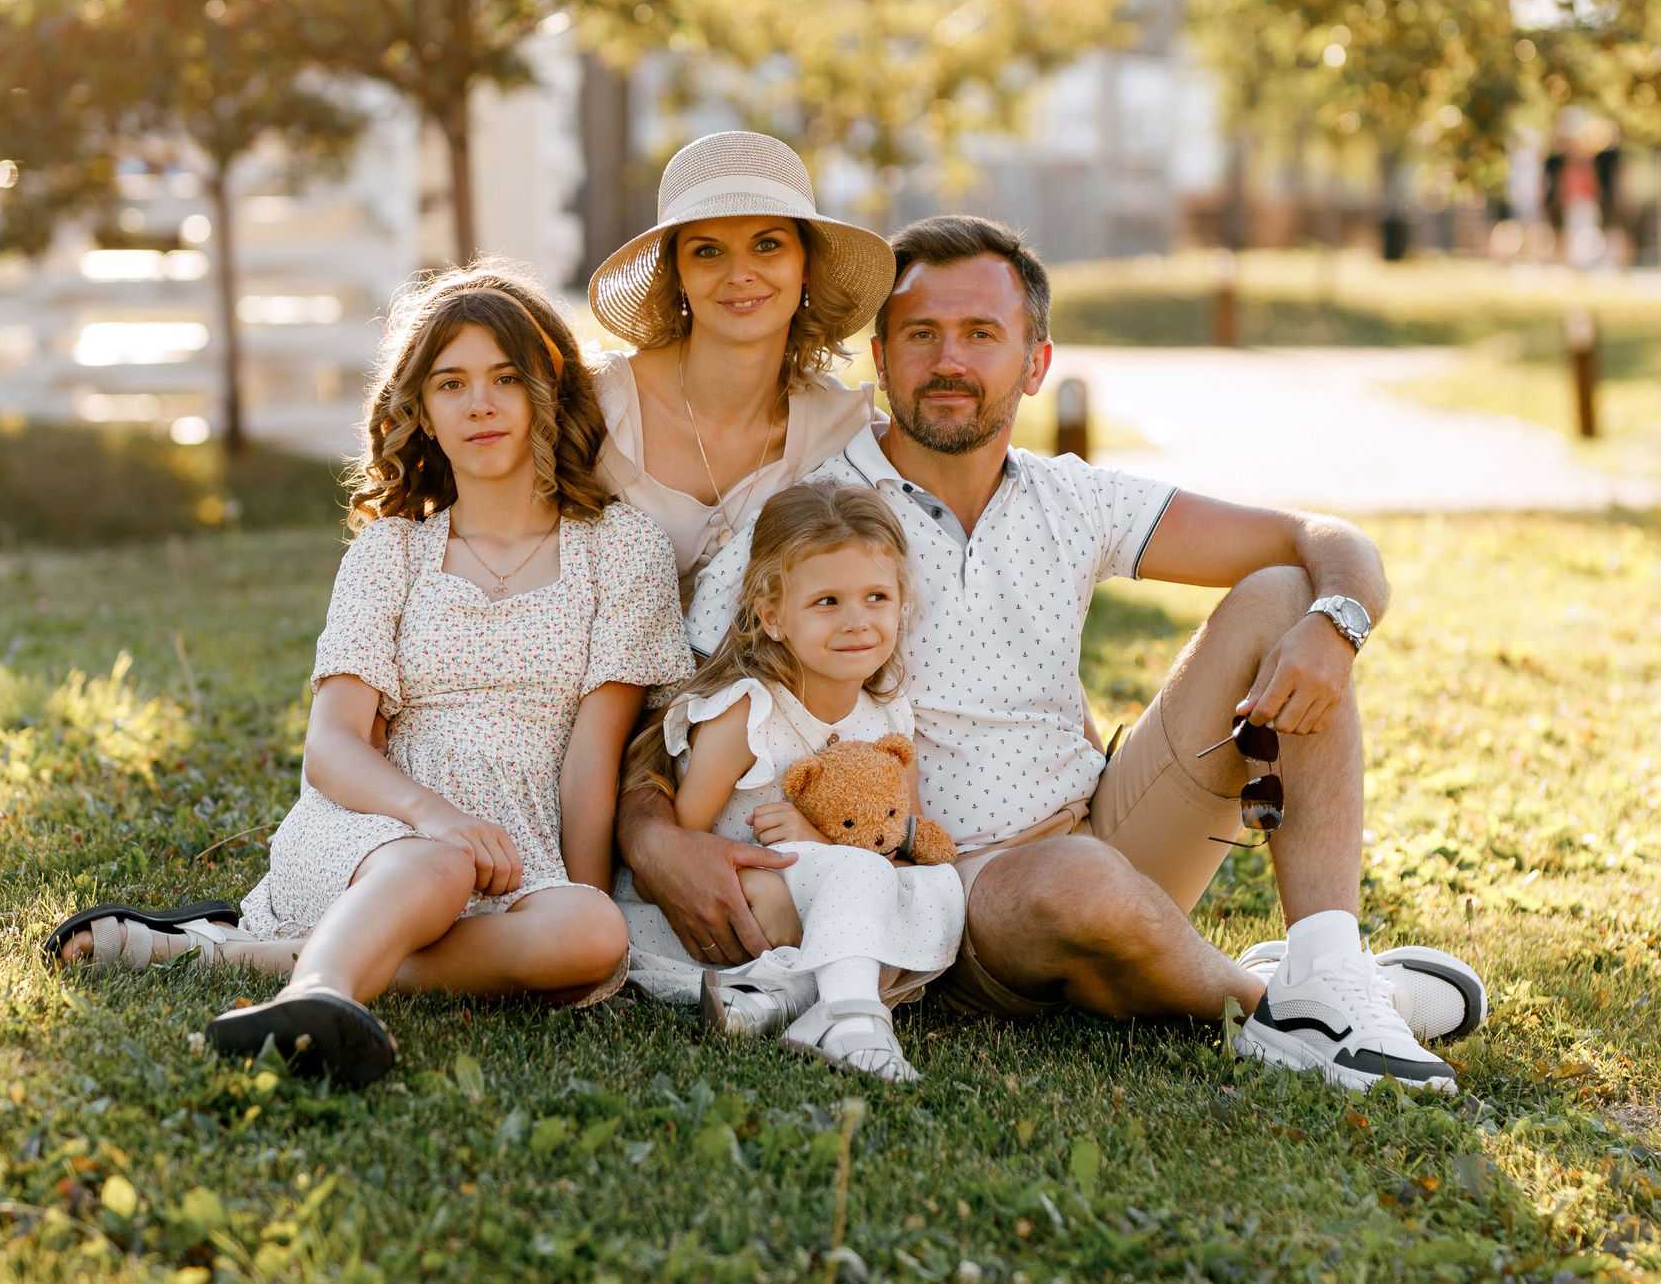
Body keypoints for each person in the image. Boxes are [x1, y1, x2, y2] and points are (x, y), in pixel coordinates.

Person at [620, 215, 1484, 1094]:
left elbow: (1317, 536)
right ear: (880, 359)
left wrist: (1335, 626)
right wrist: (652, 837)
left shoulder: (1069, 496)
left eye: (981, 334)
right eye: (921, 334)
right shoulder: (809, 517)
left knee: (1281, 595)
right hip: (948, 893)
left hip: (1106, 825)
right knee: (1074, 882)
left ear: (1034, 362)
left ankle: (1332, 967)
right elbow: (666, 724)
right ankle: (1277, 1004)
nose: (948, 360)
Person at [43, 268, 691, 1087]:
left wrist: (587, 909)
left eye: (503, 379)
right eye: (450, 384)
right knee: (437, 863)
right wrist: (437, 820)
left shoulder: (619, 549)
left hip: (521, 850)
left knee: (594, 933)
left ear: (548, 389)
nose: (480, 405)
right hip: (376, 823)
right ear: (420, 409)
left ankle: (243, 959)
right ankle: (319, 990)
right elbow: (333, 747)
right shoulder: (393, 551)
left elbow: (593, 755)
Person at [639, 480, 963, 1083]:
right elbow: (684, 849)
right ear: (772, 616)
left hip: (828, 908)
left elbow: (897, 848)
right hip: (749, 908)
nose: (857, 622)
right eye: (827, 602)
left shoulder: (890, 717)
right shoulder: (748, 713)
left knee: (941, 888)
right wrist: (789, 867)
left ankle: (786, 999)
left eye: (876, 597)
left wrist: (819, 837)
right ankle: (847, 1013)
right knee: (864, 881)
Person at [587, 130, 895, 592]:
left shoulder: (847, 428)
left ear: (806, 264)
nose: (739, 274)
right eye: (707, 251)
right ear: (677, 273)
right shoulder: (599, 404)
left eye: (767, 245)